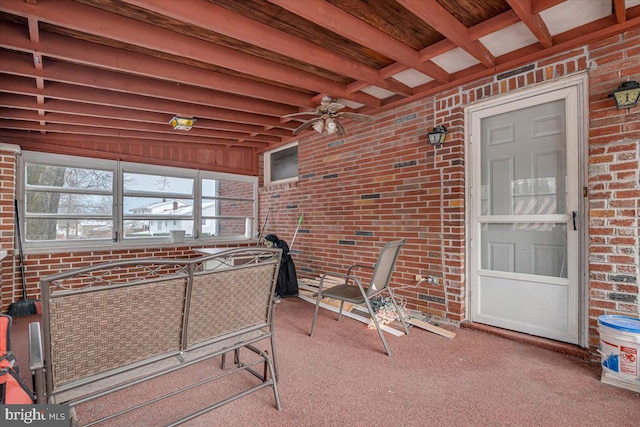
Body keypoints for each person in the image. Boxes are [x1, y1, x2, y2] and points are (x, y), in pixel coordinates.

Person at [264, 234, 299, 298]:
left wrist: (276, 260)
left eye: (268, 243)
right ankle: (278, 291)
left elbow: (283, 257)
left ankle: (284, 292)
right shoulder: (277, 245)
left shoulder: (281, 246)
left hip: (285, 265)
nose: (266, 244)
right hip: (281, 263)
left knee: (283, 278)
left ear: (273, 242)